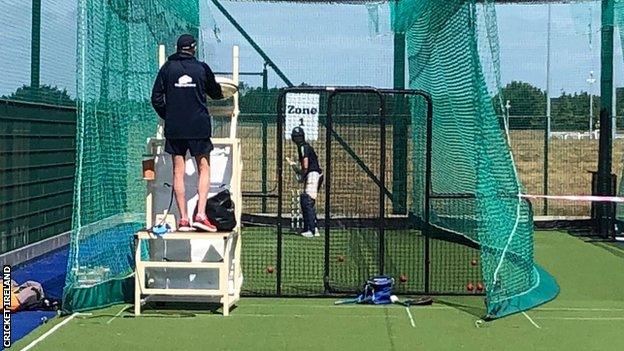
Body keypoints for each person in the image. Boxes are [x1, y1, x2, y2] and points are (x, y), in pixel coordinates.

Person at [151, 34, 223, 232]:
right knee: (204, 168)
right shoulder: (201, 68)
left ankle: (183, 219)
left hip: (175, 128)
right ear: (194, 49)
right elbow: (216, 93)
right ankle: (200, 214)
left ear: (177, 48)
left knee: (178, 171)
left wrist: (170, 116)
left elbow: (156, 98)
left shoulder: (167, 68)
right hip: (198, 126)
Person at [291, 127, 323, 238]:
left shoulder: (303, 147)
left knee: (307, 201)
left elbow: (305, 165)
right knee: (307, 201)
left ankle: (312, 230)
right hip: (314, 174)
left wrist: (302, 176)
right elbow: (305, 167)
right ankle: (310, 228)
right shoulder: (304, 146)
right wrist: (297, 169)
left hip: (313, 174)